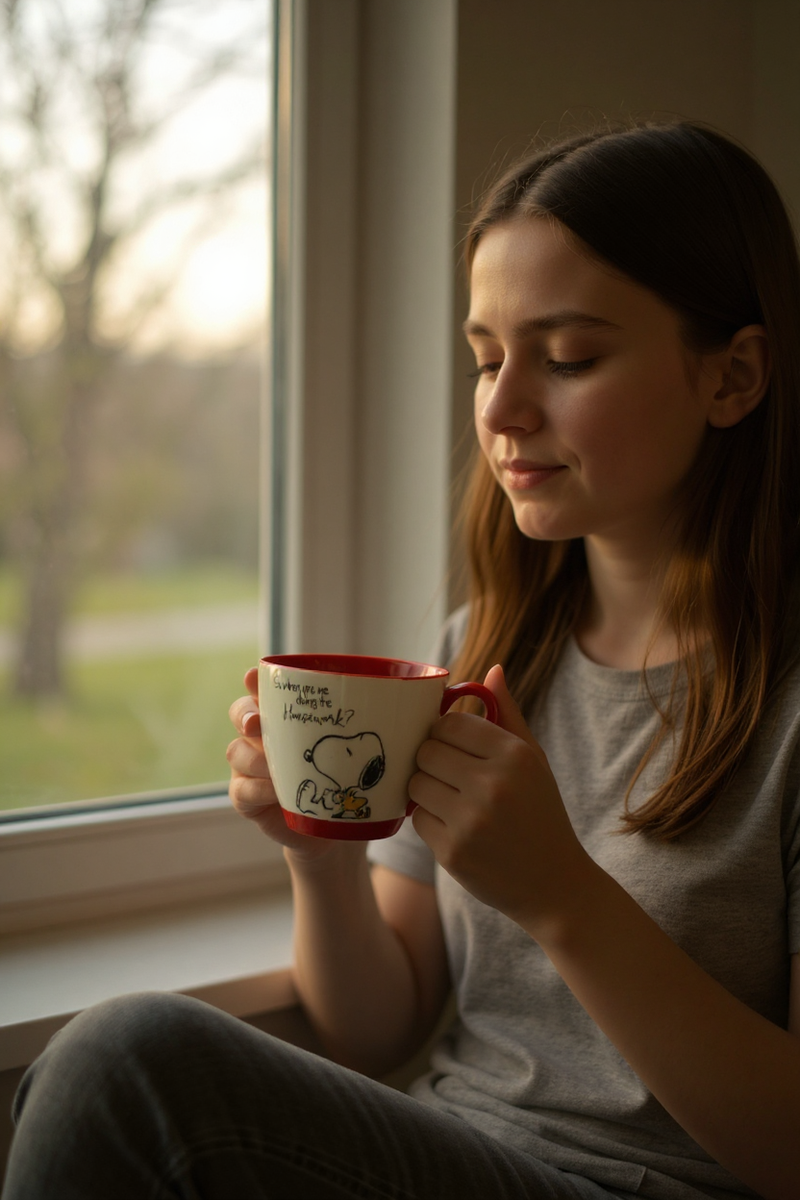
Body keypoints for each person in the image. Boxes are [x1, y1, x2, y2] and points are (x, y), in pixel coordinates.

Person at [4, 119, 800, 1200]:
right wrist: (319, 858)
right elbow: (376, 1029)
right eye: (484, 358)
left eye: (566, 357)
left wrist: (561, 898)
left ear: (732, 377)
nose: (501, 409)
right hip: (455, 1146)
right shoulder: (485, 655)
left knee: (123, 1065)